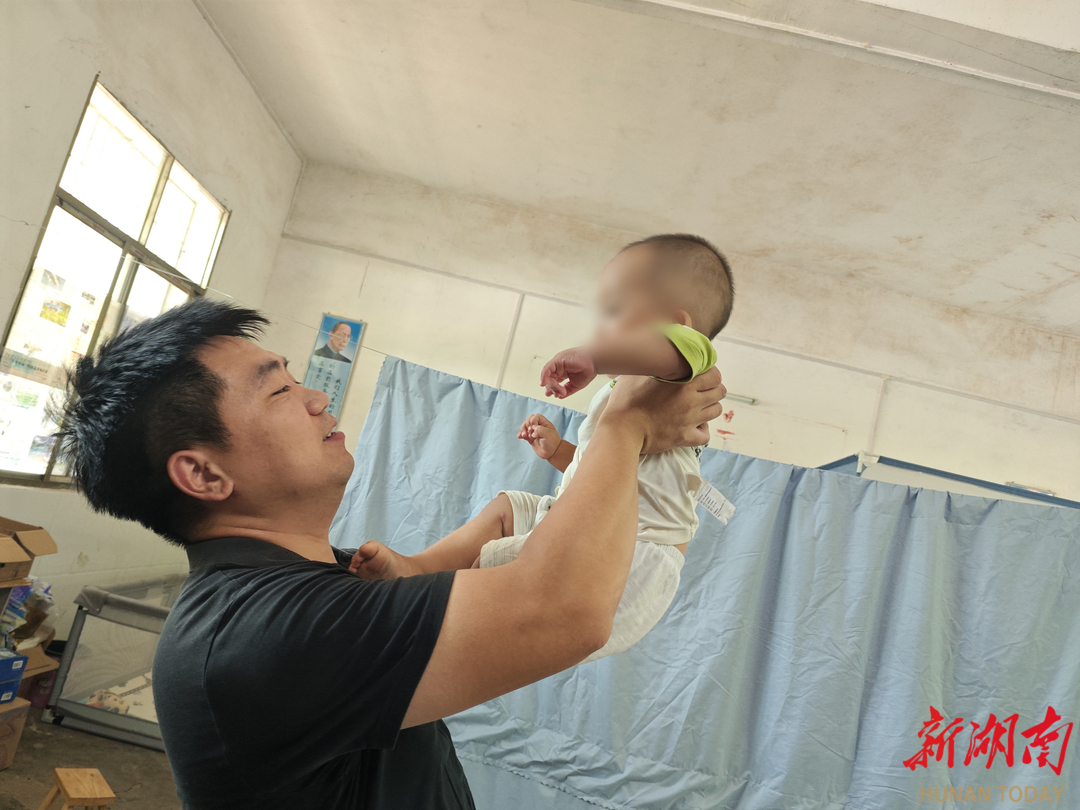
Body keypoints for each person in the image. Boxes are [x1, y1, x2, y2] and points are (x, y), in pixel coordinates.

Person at [54, 297, 727, 810]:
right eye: (280, 390)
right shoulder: (265, 630)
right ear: (203, 474)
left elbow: (465, 570)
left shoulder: (306, 585)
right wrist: (625, 426)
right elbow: (564, 609)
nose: (317, 397)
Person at [353, 234, 734, 664]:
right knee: (509, 508)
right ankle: (420, 568)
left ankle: (428, 612)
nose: (601, 328)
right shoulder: (629, 393)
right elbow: (607, 476)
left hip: (634, 557)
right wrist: (558, 452)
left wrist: (596, 356)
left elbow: (663, 350)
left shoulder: (686, 364)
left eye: (614, 311)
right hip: (600, 526)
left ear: (676, 323)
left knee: (497, 583)